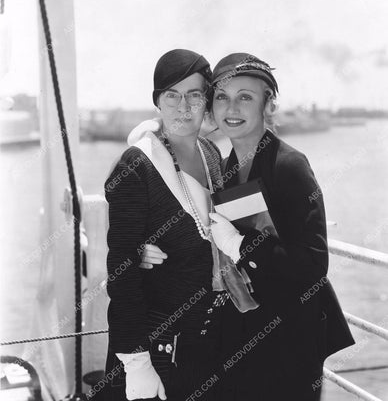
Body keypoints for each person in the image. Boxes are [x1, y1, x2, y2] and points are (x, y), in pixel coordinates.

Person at [142, 52, 355, 400]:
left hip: (291, 335)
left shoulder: (288, 166)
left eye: (245, 97)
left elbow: (313, 264)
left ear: (267, 105)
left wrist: (242, 246)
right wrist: (146, 247)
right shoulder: (226, 164)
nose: (232, 109)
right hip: (246, 329)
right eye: (222, 98)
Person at [101, 49, 227, 401]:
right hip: (156, 347)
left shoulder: (211, 154)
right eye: (172, 95)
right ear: (158, 101)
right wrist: (136, 362)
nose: (183, 107)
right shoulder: (137, 164)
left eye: (194, 95)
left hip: (205, 340)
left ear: (208, 101)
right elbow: (121, 269)